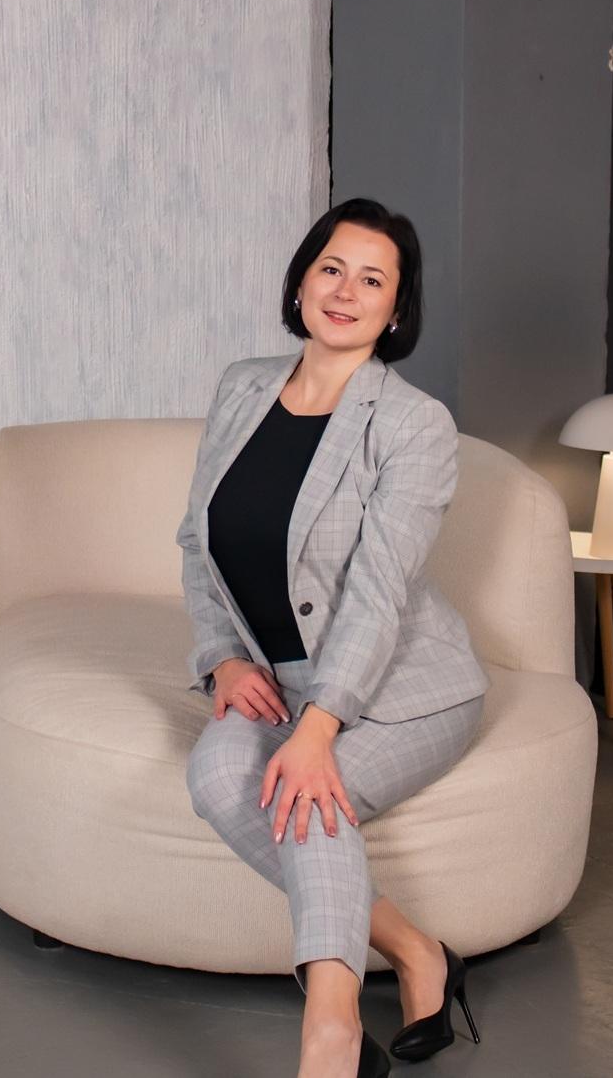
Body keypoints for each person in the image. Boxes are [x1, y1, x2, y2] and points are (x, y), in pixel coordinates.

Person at [176, 198, 491, 1078]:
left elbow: (378, 595)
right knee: (216, 775)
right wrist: (223, 656)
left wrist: (319, 727)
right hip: (273, 675)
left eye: (372, 279)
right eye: (332, 268)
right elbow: (199, 542)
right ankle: (418, 950)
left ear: (397, 309)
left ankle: (333, 1033)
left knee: (306, 794)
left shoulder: (413, 423)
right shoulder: (242, 386)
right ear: (302, 281)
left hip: (402, 686)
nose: (346, 291)